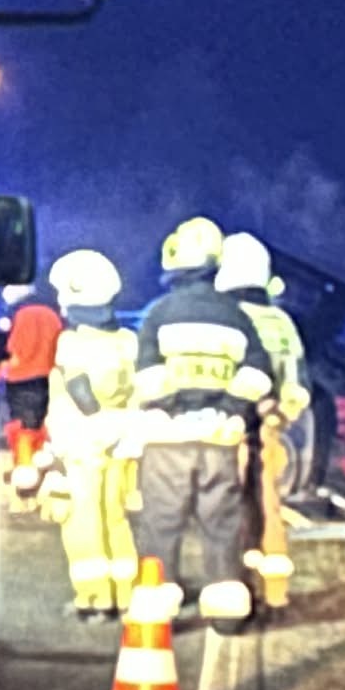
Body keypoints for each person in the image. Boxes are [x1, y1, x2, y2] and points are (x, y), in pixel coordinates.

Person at [124, 217, 274, 630]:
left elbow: (146, 375)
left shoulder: (158, 314)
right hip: (218, 439)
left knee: (161, 523)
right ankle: (226, 611)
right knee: (221, 523)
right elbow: (258, 374)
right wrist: (228, 407)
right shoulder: (236, 317)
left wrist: (172, 405)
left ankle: (157, 608)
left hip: (167, 439)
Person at [44, 248, 142, 619]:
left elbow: (79, 389)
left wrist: (90, 422)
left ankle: (93, 597)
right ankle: (124, 594)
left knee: (83, 519)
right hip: (120, 437)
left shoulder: (72, 343)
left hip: (84, 443)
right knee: (115, 516)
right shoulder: (127, 341)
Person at [214, 231, 309, 609]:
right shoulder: (282, 322)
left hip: (229, 428)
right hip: (270, 429)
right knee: (269, 504)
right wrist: (281, 416)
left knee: (229, 505)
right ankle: (276, 592)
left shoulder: (225, 319)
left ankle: (236, 586)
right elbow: (299, 382)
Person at [0, 280, 63, 497]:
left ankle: (25, 474)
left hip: (19, 377)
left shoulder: (15, 316)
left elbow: (5, 349)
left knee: (22, 426)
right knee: (38, 424)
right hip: (47, 376)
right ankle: (39, 468)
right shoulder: (52, 314)